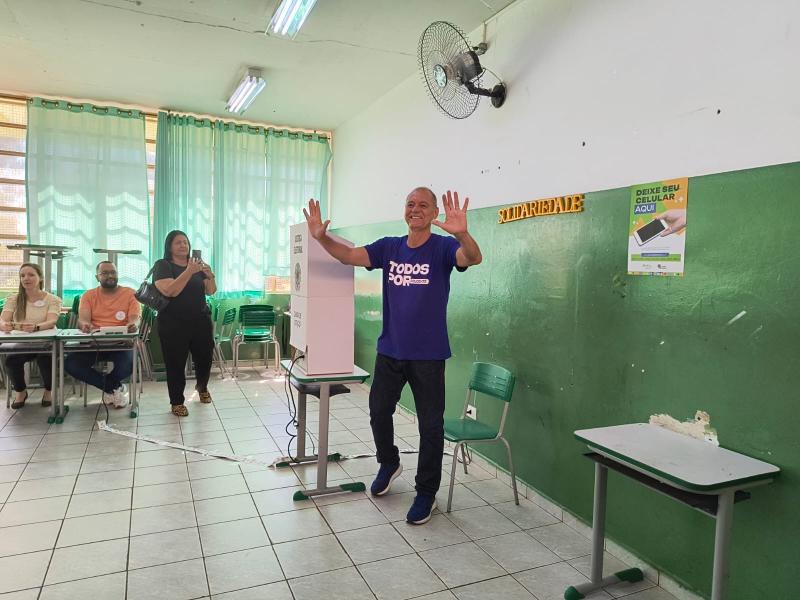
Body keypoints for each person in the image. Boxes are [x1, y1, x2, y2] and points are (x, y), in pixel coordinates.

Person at [303, 187, 482, 524]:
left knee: (431, 427)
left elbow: (471, 257)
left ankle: (426, 493)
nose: (415, 210)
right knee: (378, 411)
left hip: (428, 356)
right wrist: (321, 238)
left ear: (433, 214)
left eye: (423, 206)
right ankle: (389, 462)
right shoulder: (390, 247)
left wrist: (464, 234)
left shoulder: (443, 248)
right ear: (405, 211)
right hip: (390, 350)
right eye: (410, 204)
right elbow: (348, 256)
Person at [153, 230, 217, 416]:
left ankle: (202, 387)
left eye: (185, 242)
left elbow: (211, 291)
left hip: (200, 321)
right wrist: (189, 271)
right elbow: (170, 291)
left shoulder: (198, 266)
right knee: (175, 364)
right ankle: (177, 402)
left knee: (205, 359)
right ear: (169, 246)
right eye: (178, 242)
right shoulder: (163, 265)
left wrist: (209, 275)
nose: (183, 245)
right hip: (173, 323)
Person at [64, 261, 140, 408]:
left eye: (113, 272)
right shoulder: (89, 295)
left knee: (129, 365)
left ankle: (110, 388)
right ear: (97, 277)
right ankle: (114, 388)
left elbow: (135, 318)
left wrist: (132, 325)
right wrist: (85, 325)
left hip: (121, 344)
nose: (110, 275)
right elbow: (83, 320)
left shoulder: (130, 293)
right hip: (94, 343)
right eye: (105, 273)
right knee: (71, 364)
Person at [0, 263, 61, 409]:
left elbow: (52, 321)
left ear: (40, 278)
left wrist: (36, 327)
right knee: (11, 360)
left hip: (45, 341)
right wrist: (4, 325)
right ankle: (21, 392)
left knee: (46, 359)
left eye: (31, 275)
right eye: (22, 275)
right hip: (22, 342)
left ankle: (48, 391)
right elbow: (3, 319)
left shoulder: (52, 299)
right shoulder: (14, 299)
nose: (26, 278)